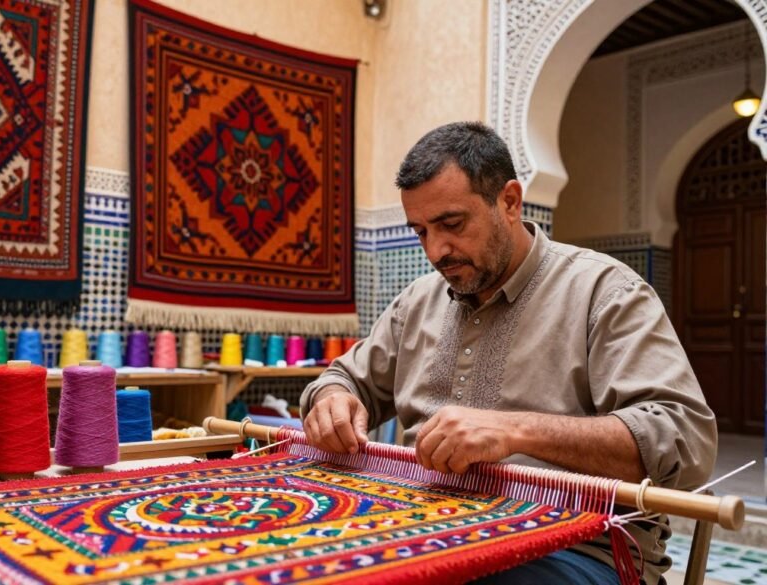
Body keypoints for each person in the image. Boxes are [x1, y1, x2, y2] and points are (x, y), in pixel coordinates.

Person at [299, 121, 717, 585]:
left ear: (510, 202)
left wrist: (517, 430)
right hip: (421, 526)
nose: (436, 250)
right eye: (420, 232)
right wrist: (331, 400)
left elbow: (684, 438)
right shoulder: (418, 301)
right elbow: (344, 379)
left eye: (452, 225)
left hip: (575, 545)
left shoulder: (605, 291)